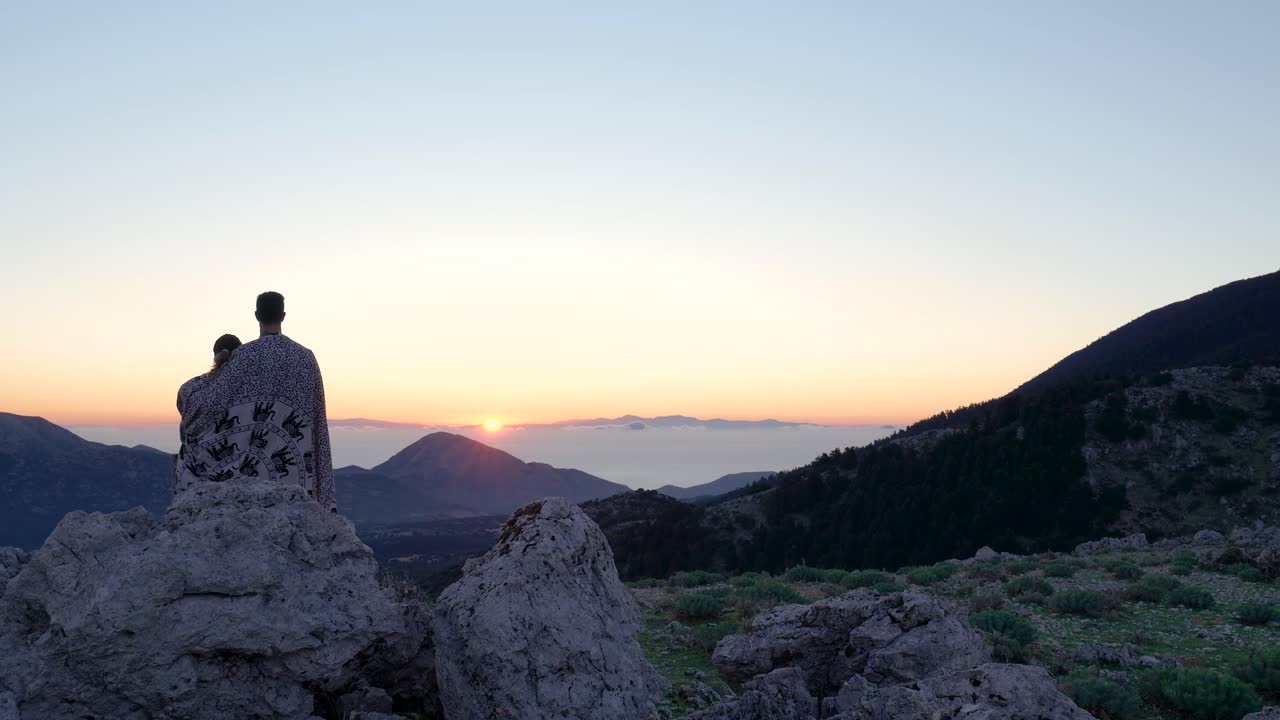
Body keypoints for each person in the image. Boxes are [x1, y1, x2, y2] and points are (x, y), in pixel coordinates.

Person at [172, 292, 336, 512]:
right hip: (297, 477)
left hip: (254, 480)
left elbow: (212, 401)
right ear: (283, 316)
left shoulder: (244, 356)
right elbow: (315, 414)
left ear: (256, 315)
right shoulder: (306, 358)